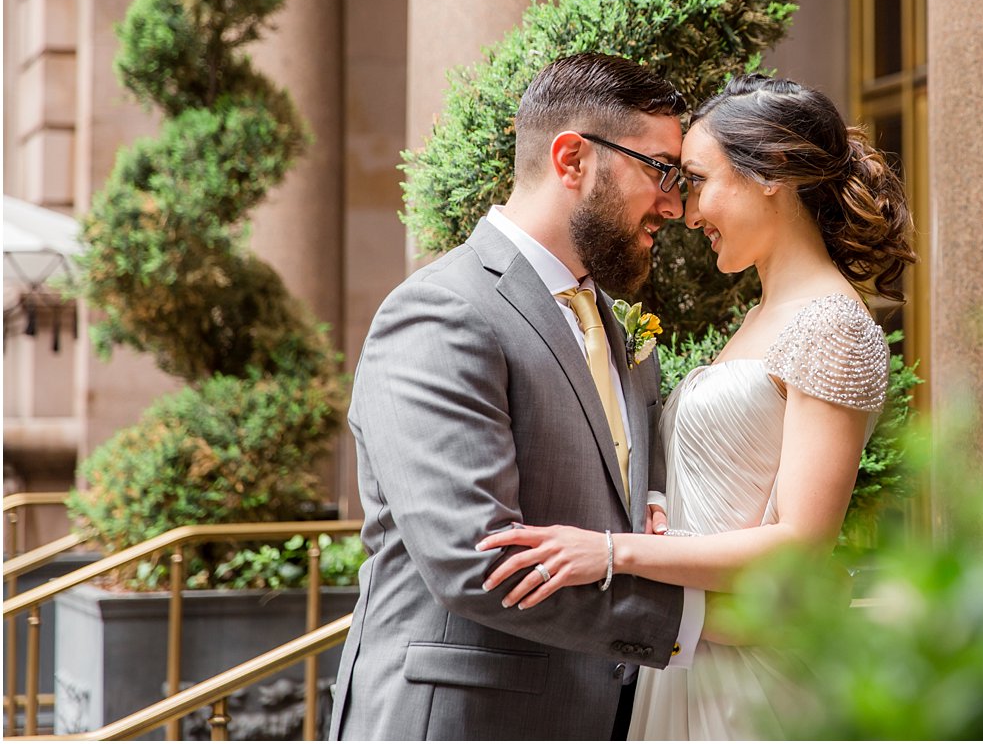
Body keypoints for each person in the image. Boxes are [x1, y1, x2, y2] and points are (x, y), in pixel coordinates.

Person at [475, 73, 917, 739]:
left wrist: (612, 552)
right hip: (689, 651)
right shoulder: (763, 314)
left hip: (756, 675)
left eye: (699, 180)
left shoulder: (833, 325)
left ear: (771, 173)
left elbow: (800, 543)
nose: (687, 212)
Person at [330, 53, 708, 741]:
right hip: (466, 720)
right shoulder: (442, 311)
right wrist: (695, 621)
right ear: (572, 159)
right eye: (660, 170)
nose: (675, 205)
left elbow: (624, 494)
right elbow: (480, 559)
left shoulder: (615, 323)